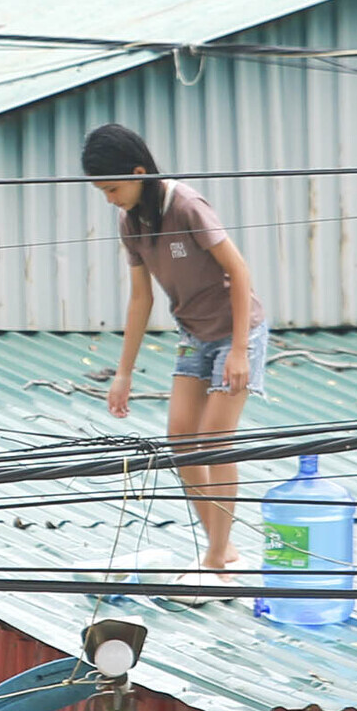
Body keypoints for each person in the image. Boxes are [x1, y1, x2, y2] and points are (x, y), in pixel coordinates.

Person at [83, 123, 269, 590]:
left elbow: (239, 270)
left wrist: (241, 352)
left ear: (139, 172)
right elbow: (140, 299)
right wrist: (123, 374)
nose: (108, 198)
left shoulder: (185, 204)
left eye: (113, 187)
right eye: (101, 191)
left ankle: (215, 561)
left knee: (215, 439)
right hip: (193, 332)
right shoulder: (130, 222)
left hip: (235, 331)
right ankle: (221, 547)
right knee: (180, 438)